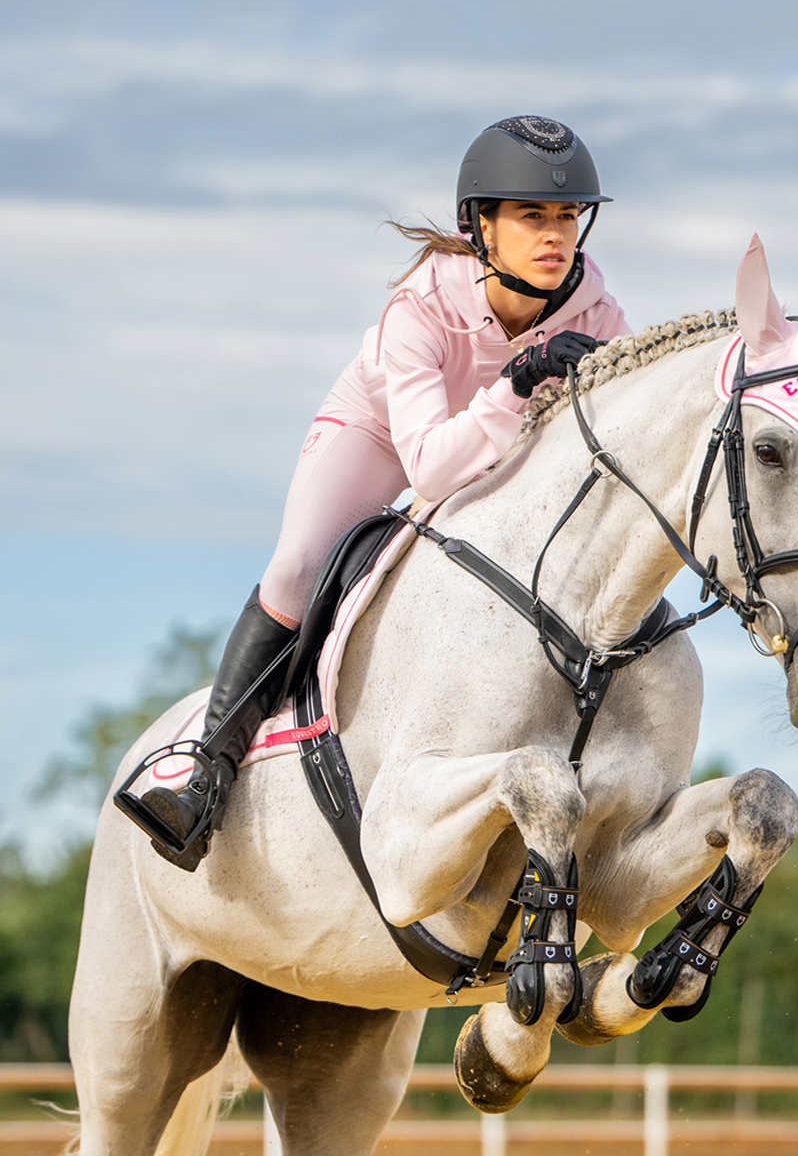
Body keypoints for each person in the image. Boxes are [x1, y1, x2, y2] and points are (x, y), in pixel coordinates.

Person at [121, 115, 631, 870]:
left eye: (566, 216)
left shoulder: (597, 311)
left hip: (493, 441)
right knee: (298, 566)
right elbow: (427, 469)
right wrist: (516, 385)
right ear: (481, 225)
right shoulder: (420, 305)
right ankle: (206, 770)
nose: (555, 234)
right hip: (382, 435)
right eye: (532, 216)